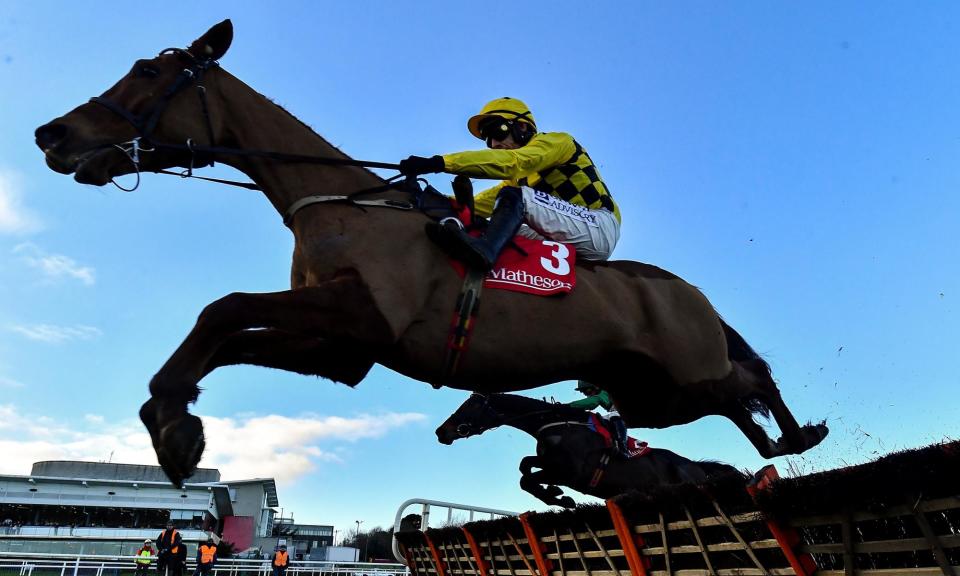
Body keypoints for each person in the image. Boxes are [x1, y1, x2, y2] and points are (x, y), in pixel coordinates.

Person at [399, 96, 620, 270]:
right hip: (561, 234)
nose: (493, 144)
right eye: (487, 138)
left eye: (497, 131)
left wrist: (440, 162)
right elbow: (479, 203)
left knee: (514, 197)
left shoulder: (557, 142)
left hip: (598, 227)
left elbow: (512, 163)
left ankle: (484, 253)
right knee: (487, 224)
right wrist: (425, 198)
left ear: (522, 127)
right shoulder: (515, 181)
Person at [568, 380, 628, 457]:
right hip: (618, 412)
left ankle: (623, 448)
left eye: (587, 391)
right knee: (597, 419)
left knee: (614, 415)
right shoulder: (601, 393)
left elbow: (592, 402)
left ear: (596, 387)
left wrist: (567, 406)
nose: (586, 395)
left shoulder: (602, 394)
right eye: (583, 392)